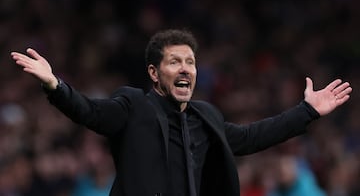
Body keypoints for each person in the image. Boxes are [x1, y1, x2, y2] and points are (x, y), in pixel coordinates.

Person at [10, 29, 352, 196]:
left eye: (190, 61)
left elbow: (252, 137)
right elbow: (89, 112)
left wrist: (307, 111)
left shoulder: (207, 117)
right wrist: (55, 84)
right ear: (154, 73)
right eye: (175, 61)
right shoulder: (132, 106)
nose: (186, 68)